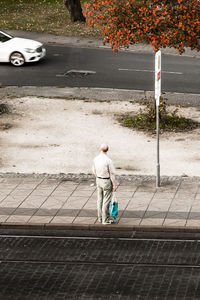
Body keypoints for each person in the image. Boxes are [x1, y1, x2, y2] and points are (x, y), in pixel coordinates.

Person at [93, 144, 116, 225]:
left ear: (100, 149)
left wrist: (98, 177)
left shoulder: (96, 159)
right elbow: (111, 174)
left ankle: (100, 218)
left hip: (98, 180)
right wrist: (114, 185)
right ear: (107, 150)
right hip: (106, 181)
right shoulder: (108, 160)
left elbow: (94, 170)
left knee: (100, 200)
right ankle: (105, 219)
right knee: (106, 201)